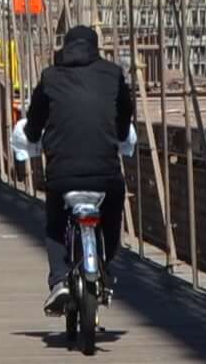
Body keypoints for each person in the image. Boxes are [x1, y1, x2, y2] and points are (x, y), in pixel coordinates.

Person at [12, 22, 140, 309]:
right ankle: (104, 263)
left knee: (56, 224)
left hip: (62, 174)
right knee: (113, 209)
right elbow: (125, 116)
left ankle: (59, 280)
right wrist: (119, 135)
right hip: (105, 174)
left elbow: (34, 122)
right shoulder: (112, 74)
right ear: (95, 48)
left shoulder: (50, 76)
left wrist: (32, 136)